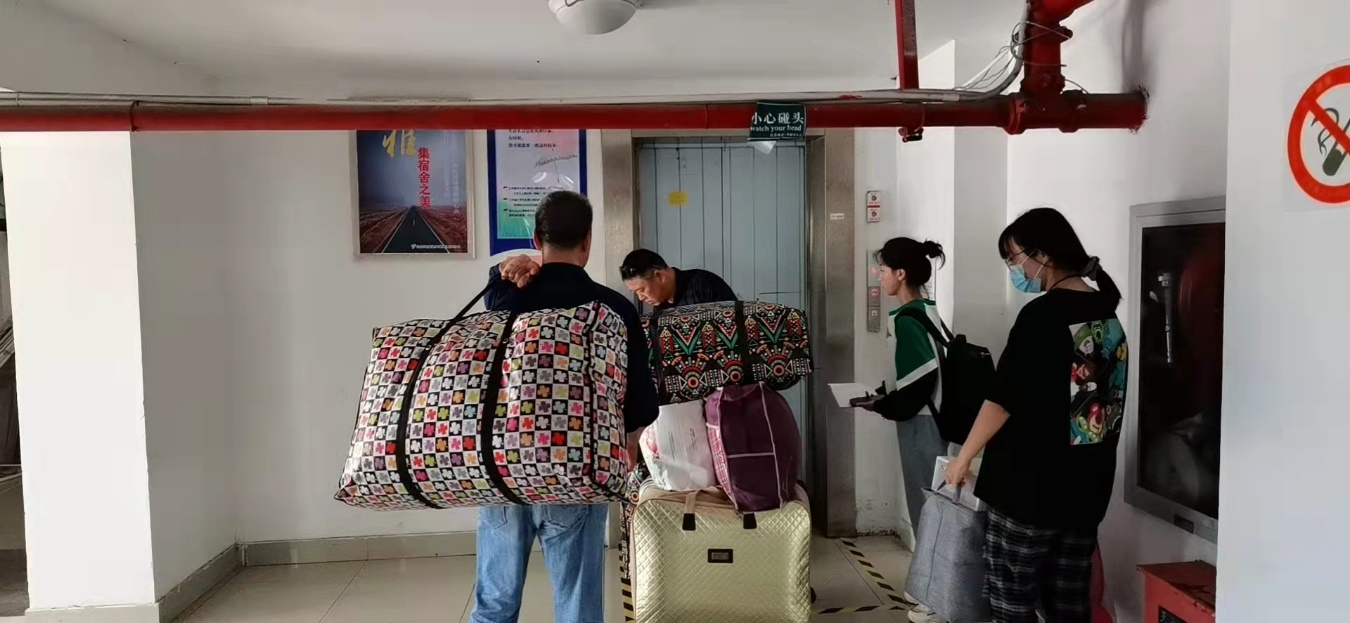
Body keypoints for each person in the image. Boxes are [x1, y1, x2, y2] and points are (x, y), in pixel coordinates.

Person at [471, 190, 658, 623]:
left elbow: (494, 294)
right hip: (578, 469)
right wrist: (629, 442)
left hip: (504, 469)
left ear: (537, 239)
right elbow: (640, 401)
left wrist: (506, 269)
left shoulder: (506, 299)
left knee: (495, 603)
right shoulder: (613, 309)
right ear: (587, 241)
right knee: (577, 606)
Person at [944, 207, 1128, 623]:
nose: (1015, 269)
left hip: (1027, 490)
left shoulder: (1042, 315)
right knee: (1069, 602)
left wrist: (963, 458)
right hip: (1086, 489)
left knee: (1013, 600)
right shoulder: (1107, 314)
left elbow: (1002, 399)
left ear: (1042, 255)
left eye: (1014, 258)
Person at [859, 237, 950, 623]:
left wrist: (882, 405)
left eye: (882, 269)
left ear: (901, 274)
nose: (878, 275)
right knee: (934, 509)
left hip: (922, 424)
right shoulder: (927, 311)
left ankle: (935, 600)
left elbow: (918, 386)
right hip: (935, 421)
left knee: (926, 511)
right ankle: (932, 589)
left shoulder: (908, 319)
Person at [619, 249, 737, 309]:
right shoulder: (660, 307)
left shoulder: (703, 285)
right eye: (635, 292)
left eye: (642, 290)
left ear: (659, 276)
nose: (640, 298)